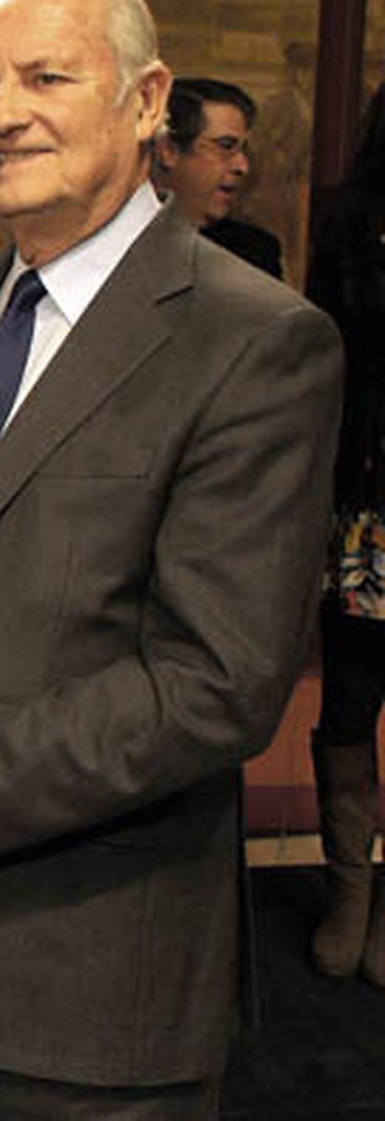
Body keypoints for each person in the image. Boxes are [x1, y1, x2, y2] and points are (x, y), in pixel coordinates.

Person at [0, 0, 341, 1117]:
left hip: (92, 989)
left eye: (45, 76)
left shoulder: (255, 342)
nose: (1, 113)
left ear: (148, 97)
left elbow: (216, 685)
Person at [305, 80, 385, 988]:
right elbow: (338, 341)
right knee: (353, 692)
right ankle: (349, 896)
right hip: (368, 487)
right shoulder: (355, 215)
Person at [151, 76, 284, 278]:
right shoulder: (114, 243)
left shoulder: (253, 254)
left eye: (243, 151)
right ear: (169, 150)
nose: (243, 167)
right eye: (226, 146)